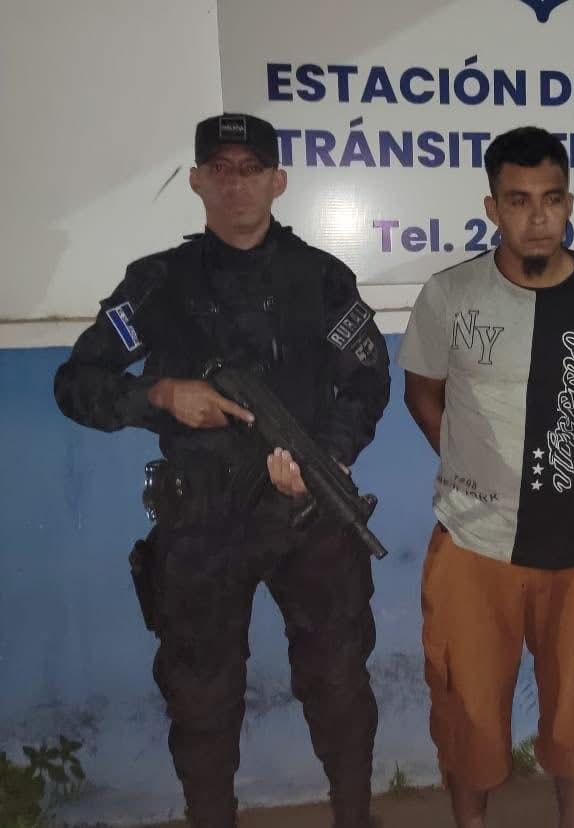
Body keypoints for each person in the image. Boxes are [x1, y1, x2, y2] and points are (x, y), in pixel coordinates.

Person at [54, 113, 390, 828]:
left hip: (304, 512)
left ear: (278, 181)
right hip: (202, 519)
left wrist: (330, 454)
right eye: (222, 169)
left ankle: (355, 816)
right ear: (197, 181)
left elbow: (367, 379)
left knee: (338, 683)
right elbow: (76, 383)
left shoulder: (322, 279)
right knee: (201, 699)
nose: (237, 184)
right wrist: (158, 396)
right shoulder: (156, 284)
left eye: (252, 169)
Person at [397, 126, 574, 828]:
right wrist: (471, 464)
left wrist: (561, 466)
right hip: (474, 544)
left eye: (551, 198)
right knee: (467, 712)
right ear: (492, 207)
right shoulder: (449, 294)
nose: (537, 217)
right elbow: (421, 393)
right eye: (518, 200)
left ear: (569, 203)